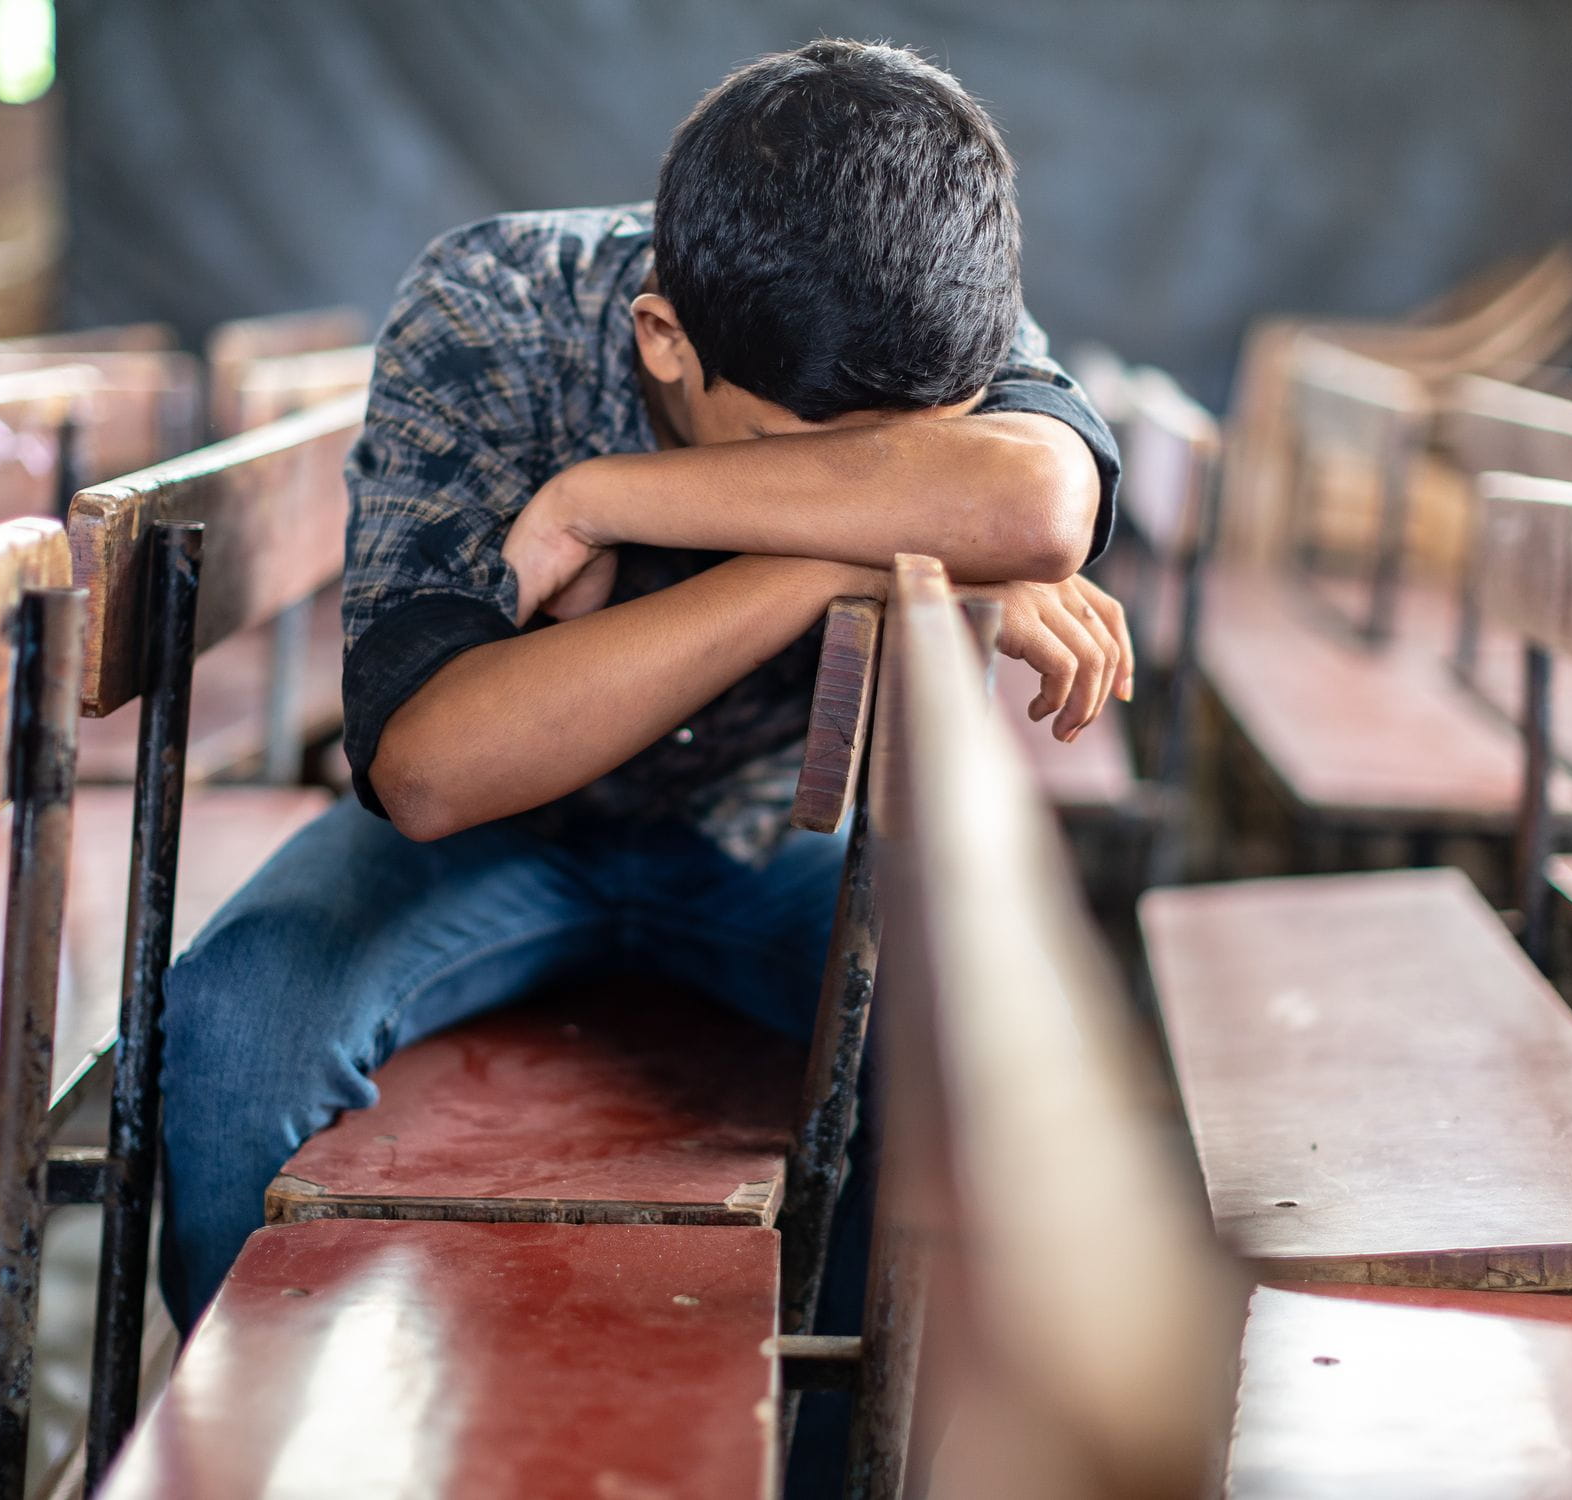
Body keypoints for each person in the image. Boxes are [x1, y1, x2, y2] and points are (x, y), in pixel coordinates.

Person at [157, 37, 1130, 1333]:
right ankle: (236, 1454)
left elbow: (1038, 498)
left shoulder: (928, 302)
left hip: (772, 829)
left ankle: (821, 1462)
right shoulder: (494, 302)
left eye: (898, 461)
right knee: (234, 1026)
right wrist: (842, 549)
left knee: (973, 1057)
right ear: (664, 339)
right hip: (494, 842)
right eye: (807, 458)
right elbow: (432, 771)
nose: (849, 483)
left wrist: (600, 497)